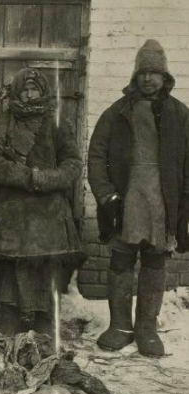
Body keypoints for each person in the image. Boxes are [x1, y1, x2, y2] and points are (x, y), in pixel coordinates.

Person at [88, 39, 189, 357]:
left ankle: (147, 328)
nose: (148, 78)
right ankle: (120, 326)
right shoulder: (117, 113)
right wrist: (107, 196)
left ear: (165, 77)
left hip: (161, 203)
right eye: (143, 72)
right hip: (126, 201)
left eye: (154, 73)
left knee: (155, 262)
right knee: (121, 260)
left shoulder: (180, 116)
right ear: (135, 75)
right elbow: (96, 156)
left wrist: (183, 209)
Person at [0, 68, 85, 339]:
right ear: (17, 92)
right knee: (11, 267)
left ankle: (44, 320)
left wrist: (45, 178)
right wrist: (24, 177)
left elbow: (73, 164)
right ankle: (10, 317)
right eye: (24, 90)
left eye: (34, 90)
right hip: (12, 207)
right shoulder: (4, 121)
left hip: (49, 210)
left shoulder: (56, 122)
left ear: (43, 92)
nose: (29, 95)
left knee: (47, 267)